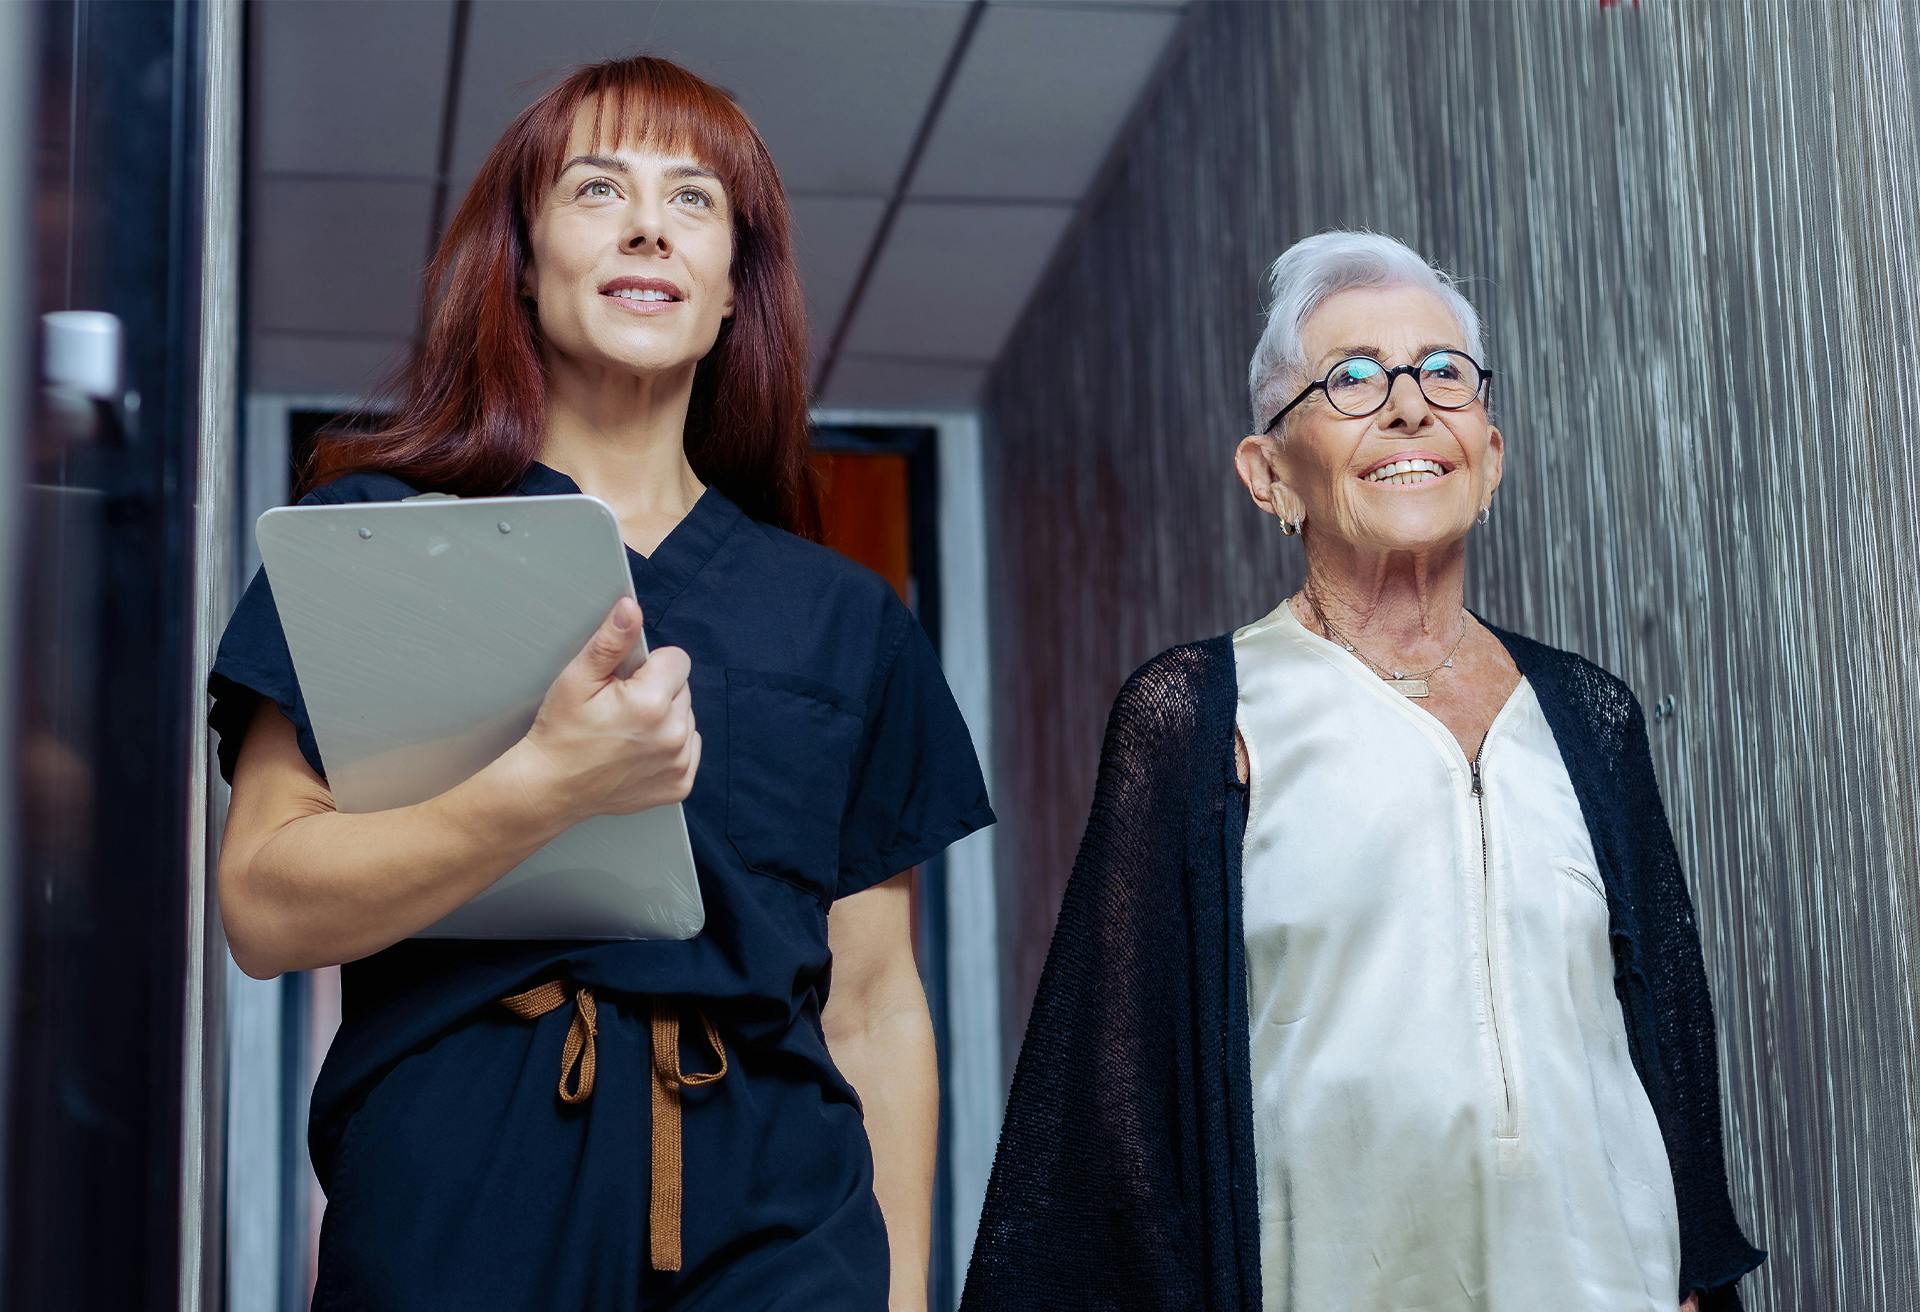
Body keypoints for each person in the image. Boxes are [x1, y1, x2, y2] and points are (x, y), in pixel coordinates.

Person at [211, 55, 992, 1311]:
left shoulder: (848, 618)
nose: (647, 224)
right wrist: (546, 786)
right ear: (521, 259)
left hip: (783, 1218)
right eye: (596, 189)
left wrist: (903, 1295)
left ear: (736, 285)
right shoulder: (375, 539)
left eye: (694, 200)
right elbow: (263, 904)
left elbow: (876, 1000)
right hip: (460, 1187)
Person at [962, 232, 1761, 1311]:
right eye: (1350, 379)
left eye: (1442, 372)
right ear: (1268, 474)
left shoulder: (1588, 715)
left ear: (1490, 452)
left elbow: (1669, 1048)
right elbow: (1110, 1118)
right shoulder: (1202, 716)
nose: (1408, 406)